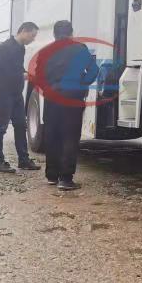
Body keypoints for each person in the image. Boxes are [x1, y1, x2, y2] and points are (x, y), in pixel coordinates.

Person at [38, 20, 98, 191]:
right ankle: (65, 179)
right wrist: (82, 83)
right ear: (71, 33)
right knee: (70, 136)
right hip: (72, 97)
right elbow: (93, 70)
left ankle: (52, 175)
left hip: (51, 98)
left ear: (54, 34)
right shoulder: (80, 48)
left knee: (52, 135)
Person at [0, 22, 41, 173]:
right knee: (1, 127)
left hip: (17, 94)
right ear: (24, 31)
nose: (33, 39)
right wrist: (21, 75)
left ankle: (23, 160)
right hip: (4, 93)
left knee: (21, 125)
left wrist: (25, 73)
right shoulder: (5, 48)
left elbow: (17, 68)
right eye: (32, 35)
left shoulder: (21, 48)